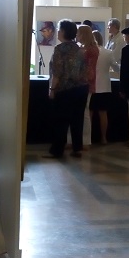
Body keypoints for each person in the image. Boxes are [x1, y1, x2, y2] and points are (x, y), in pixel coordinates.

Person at [47, 19, 89, 159]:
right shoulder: (79, 49)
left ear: (63, 31)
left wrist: (52, 89)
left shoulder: (60, 49)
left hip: (64, 90)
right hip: (81, 89)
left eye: (59, 30)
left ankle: (57, 150)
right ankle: (77, 148)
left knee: (60, 121)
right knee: (77, 120)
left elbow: (57, 72)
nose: (57, 32)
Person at [76, 25, 99, 148]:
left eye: (78, 34)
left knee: (85, 112)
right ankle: (75, 140)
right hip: (80, 83)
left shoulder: (91, 49)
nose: (76, 36)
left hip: (86, 84)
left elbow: (90, 71)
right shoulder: (82, 48)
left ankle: (86, 141)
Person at [90, 30, 114, 144]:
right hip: (104, 87)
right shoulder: (108, 53)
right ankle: (103, 138)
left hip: (91, 86)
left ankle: (87, 138)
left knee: (89, 114)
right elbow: (116, 67)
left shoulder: (87, 51)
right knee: (103, 114)